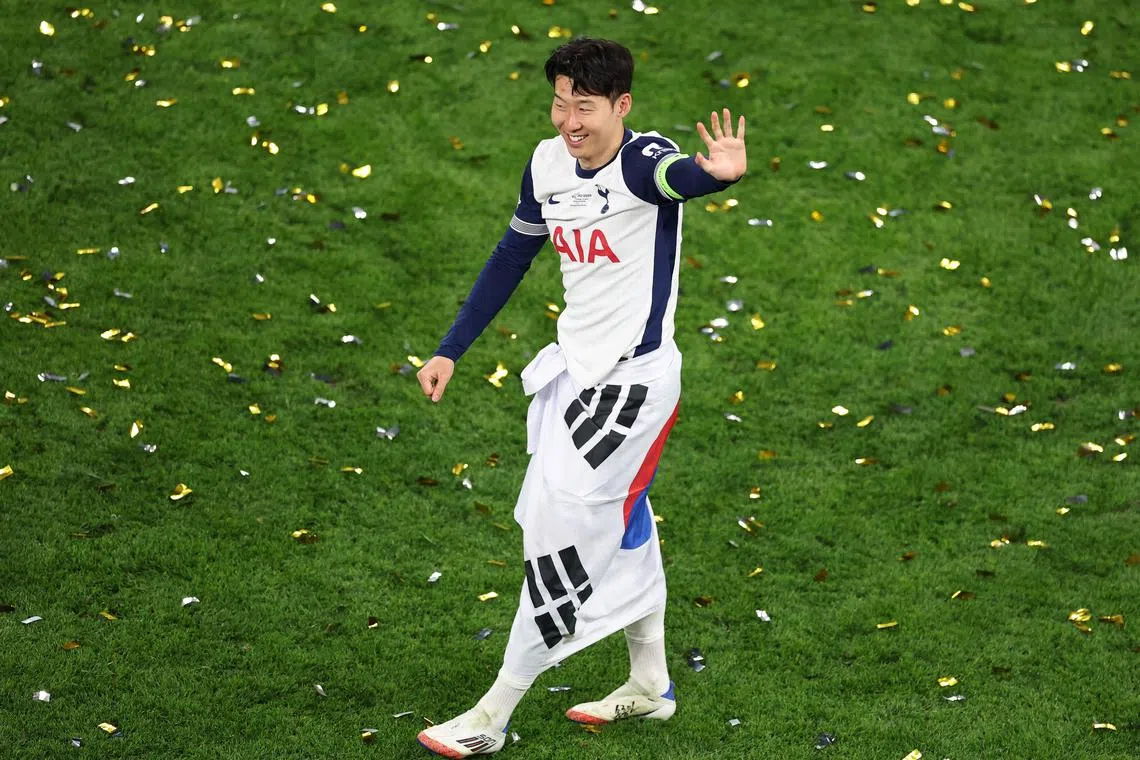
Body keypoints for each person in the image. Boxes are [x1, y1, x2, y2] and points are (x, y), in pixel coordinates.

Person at [415, 37, 747, 758]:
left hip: (634, 390)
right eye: (561, 102)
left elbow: (676, 178)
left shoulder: (639, 159)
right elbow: (512, 254)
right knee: (600, 520)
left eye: (585, 107)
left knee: (563, 535)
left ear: (621, 106)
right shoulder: (545, 163)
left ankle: (492, 714)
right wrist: (451, 348)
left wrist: (714, 175)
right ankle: (651, 683)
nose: (570, 120)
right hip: (577, 375)